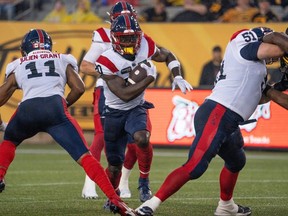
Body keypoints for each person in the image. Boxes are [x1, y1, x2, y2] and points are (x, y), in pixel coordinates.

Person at [135, 27, 288, 216]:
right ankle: (149, 205)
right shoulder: (242, 45)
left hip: (227, 119)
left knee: (236, 160)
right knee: (195, 166)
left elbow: (262, 96)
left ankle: (226, 206)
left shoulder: (256, 69)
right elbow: (277, 42)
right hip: (218, 114)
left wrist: (280, 86)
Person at [0, 28, 136, 216]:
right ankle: (116, 200)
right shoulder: (62, 59)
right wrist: (64, 103)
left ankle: (0, 176)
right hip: (55, 109)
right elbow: (79, 88)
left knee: (9, 141)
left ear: (25, 49)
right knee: (85, 157)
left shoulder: (18, 64)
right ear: (48, 46)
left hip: (27, 110)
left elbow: (2, 95)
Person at [80, 1, 192, 201]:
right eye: (124, 36)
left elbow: (166, 54)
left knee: (140, 139)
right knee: (103, 139)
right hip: (109, 93)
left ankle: (139, 182)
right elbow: (87, 66)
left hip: (135, 100)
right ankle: (95, 183)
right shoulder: (104, 49)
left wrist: (177, 75)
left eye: (133, 34)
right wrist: (111, 73)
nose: (130, 40)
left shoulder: (144, 43)